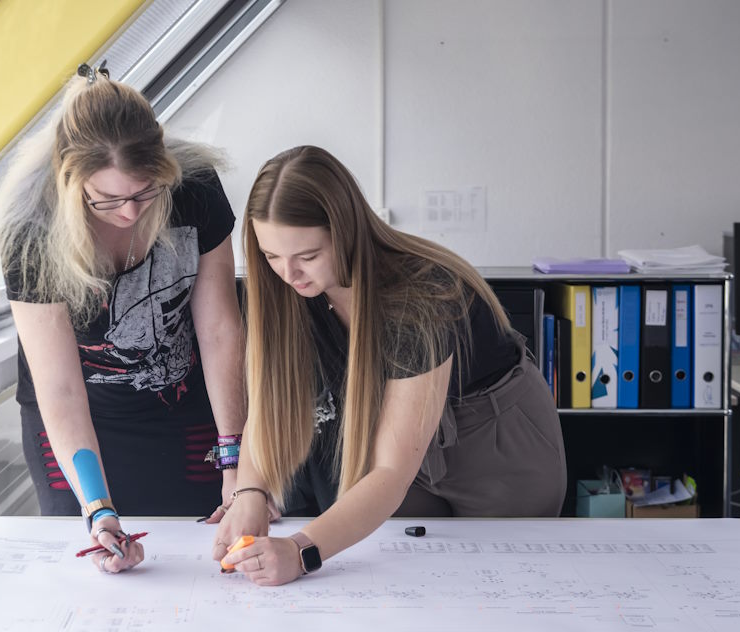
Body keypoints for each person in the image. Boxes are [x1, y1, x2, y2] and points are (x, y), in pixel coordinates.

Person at [213, 145, 566, 585]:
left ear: (346, 232)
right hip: (399, 438)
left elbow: (390, 473)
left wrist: (300, 552)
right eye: (270, 256)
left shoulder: (419, 296)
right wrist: (249, 491)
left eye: (307, 256)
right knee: (411, 583)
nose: (289, 274)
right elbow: (271, 405)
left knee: (501, 587)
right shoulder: (287, 291)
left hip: (493, 441)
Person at [0, 64, 246, 574]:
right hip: (79, 424)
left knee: (204, 562)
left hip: (182, 411)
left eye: (145, 192)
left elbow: (220, 331)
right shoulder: (32, 232)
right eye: (108, 200)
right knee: (91, 567)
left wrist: (236, 460)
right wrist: (99, 510)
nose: (129, 212)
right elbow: (58, 390)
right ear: (70, 181)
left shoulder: (194, 191)